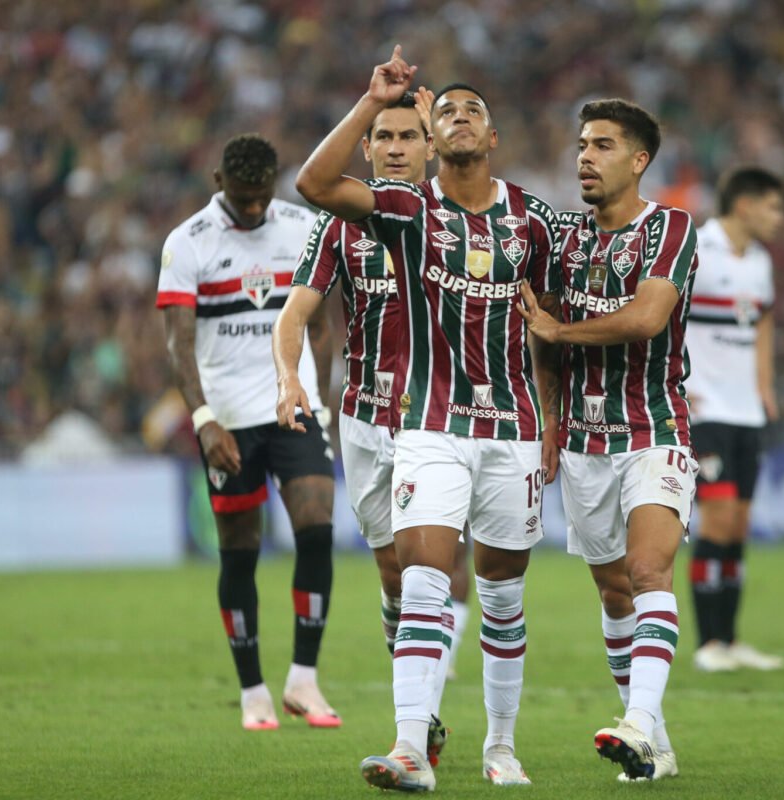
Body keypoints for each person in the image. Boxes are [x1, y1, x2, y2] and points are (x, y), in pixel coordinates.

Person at [296, 46, 559, 791]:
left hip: (512, 430)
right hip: (431, 426)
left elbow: (552, 326)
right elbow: (314, 184)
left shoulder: (534, 221)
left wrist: (554, 418)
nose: (460, 117)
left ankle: (501, 746)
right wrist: (370, 101)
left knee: (502, 595)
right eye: (445, 111)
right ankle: (411, 747)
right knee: (422, 578)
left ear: (493, 136)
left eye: (473, 110)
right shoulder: (409, 209)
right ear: (430, 138)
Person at [273, 92, 473, 764]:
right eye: (383, 136)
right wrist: (290, 378)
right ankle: (421, 703)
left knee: (430, 567)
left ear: (431, 145)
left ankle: (417, 723)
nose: (394, 147)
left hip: (438, 418)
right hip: (364, 418)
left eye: (408, 135)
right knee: (394, 575)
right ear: (366, 147)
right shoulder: (340, 225)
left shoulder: (458, 219)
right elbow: (294, 315)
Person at [519, 98, 698, 782]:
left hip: (655, 429)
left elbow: (648, 318)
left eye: (602, 145)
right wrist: (548, 421)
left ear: (639, 160)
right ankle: (656, 744)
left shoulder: (670, 228)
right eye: (582, 145)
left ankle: (636, 723)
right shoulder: (562, 238)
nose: (585, 158)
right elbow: (540, 334)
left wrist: (561, 330)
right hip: (582, 443)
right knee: (615, 594)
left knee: (648, 571)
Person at [156, 134, 340, 732]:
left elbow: (322, 325)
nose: (256, 207)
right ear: (219, 182)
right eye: (243, 198)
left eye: (263, 195)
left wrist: (319, 397)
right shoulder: (188, 242)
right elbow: (178, 344)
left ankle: (303, 679)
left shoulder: (303, 226)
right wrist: (203, 420)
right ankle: (253, 691)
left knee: (317, 531)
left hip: (293, 407)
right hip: (229, 420)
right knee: (240, 552)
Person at [686, 167, 784, 672]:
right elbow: (661, 315)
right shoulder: (697, 249)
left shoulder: (760, 261)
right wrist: (677, 384)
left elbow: (763, 322)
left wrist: (765, 386)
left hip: (746, 410)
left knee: (740, 524)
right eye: (773, 206)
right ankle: (708, 643)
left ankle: (730, 638)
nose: (779, 217)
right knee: (718, 519)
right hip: (706, 409)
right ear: (744, 205)